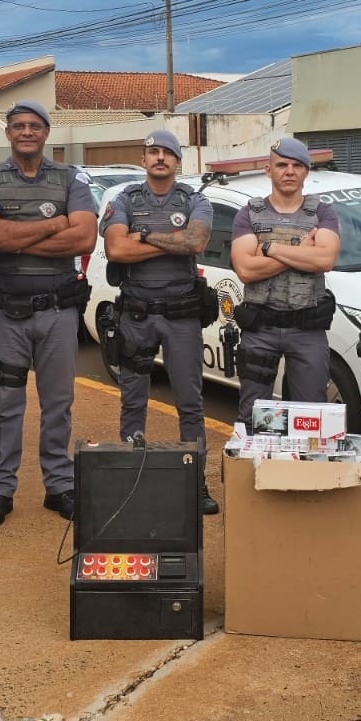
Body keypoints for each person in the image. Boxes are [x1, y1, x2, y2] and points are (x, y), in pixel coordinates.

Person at [0, 101, 97, 527]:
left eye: (35, 126)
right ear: (8, 133)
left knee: (58, 403)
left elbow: (84, 239)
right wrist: (51, 225)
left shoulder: (71, 177)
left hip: (58, 311)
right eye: (19, 125)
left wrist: (15, 237)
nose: (27, 131)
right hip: (8, 314)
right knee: (5, 404)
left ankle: (59, 485)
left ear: (46, 133)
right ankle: (0, 490)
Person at [100, 130, 219, 515]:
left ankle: (195, 482)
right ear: (143, 159)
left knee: (190, 402)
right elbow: (116, 247)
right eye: (153, 151)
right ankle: (132, 476)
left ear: (178, 161)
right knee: (133, 400)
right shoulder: (125, 199)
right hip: (136, 315)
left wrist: (146, 234)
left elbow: (196, 243)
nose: (160, 158)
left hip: (181, 317)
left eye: (167, 152)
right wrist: (172, 238)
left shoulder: (195, 200)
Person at [229, 138, 341, 426]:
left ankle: (302, 472)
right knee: (254, 416)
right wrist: (303, 251)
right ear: (269, 170)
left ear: (306, 172)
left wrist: (270, 248)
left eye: (297, 165)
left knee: (312, 418)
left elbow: (325, 259)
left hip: (307, 330)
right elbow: (245, 268)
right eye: (282, 165)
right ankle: (255, 470)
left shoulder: (322, 212)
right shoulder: (249, 214)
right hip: (261, 329)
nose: (289, 171)